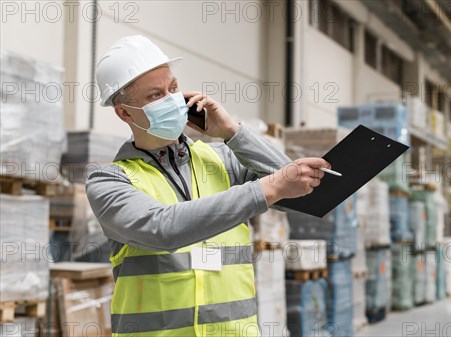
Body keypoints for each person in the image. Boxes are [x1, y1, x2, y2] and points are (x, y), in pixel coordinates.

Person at [86, 35, 329, 336]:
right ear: (124, 112)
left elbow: (296, 186)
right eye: (154, 95)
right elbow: (163, 229)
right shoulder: (110, 180)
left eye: (173, 88)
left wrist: (232, 132)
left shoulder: (222, 159)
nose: (171, 99)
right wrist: (266, 189)